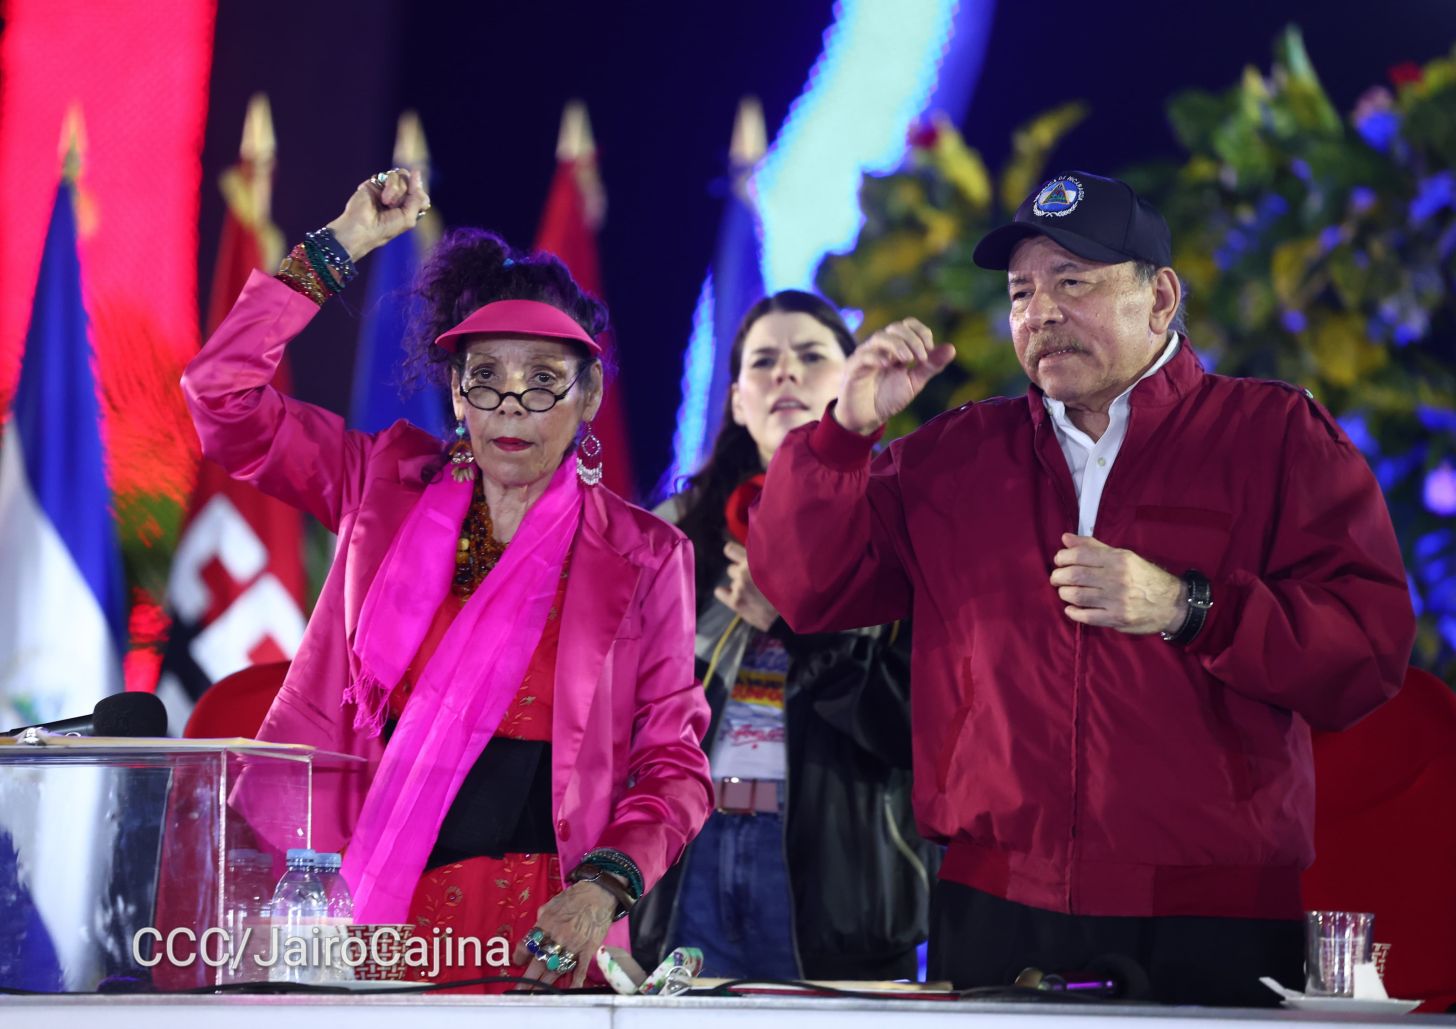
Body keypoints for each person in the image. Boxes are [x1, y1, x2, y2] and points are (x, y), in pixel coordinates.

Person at [746, 171, 1415, 1006]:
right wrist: (843, 436)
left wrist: (1189, 607)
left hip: (1212, 914)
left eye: (1074, 282)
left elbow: (1369, 648)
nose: (1042, 311)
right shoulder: (957, 455)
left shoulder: (1274, 436)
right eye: (1023, 291)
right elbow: (807, 587)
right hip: (996, 910)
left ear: (1161, 297)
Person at [182, 167, 713, 988]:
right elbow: (220, 396)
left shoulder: (646, 555)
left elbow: (673, 763)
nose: (511, 405)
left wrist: (603, 887)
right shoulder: (381, 484)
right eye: (486, 376)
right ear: (457, 392)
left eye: (543, 380)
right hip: (361, 894)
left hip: (546, 916)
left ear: (589, 392)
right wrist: (342, 244)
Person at [631, 292, 936, 982]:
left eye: (812, 356)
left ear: (855, 378)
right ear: (737, 399)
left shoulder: (907, 524)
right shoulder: (671, 534)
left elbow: (924, 725)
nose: (786, 375)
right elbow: (623, 714)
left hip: (843, 874)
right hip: (688, 858)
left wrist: (797, 628)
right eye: (764, 361)